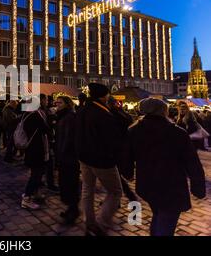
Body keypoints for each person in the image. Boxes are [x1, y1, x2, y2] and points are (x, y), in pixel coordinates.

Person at [124, 98, 206, 236]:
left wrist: (128, 173)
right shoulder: (177, 132)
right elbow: (192, 163)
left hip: (146, 183)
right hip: (171, 185)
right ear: (163, 111)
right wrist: (198, 187)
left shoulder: (134, 131)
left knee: (158, 213)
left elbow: (125, 156)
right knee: (167, 219)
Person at [75, 83, 123, 236]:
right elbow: (111, 139)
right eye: (107, 94)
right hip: (101, 159)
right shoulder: (103, 113)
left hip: (84, 157)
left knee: (87, 189)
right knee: (115, 192)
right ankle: (101, 224)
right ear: (104, 96)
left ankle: (89, 221)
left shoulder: (82, 109)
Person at [21, 94, 52, 210]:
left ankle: (34, 193)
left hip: (31, 148)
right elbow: (46, 129)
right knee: (36, 174)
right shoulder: (35, 115)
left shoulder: (26, 114)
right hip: (37, 148)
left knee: (36, 172)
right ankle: (27, 198)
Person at [54, 95, 79, 224]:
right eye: (56, 102)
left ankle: (73, 210)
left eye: (60, 102)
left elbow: (68, 139)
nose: (57, 104)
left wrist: (62, 155)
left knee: (70, 184)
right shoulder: (62, 116)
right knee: (66, 184)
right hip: (64, 156)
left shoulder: (69, 117)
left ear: (67, 104)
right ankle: (71, 208)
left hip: (69, 157)